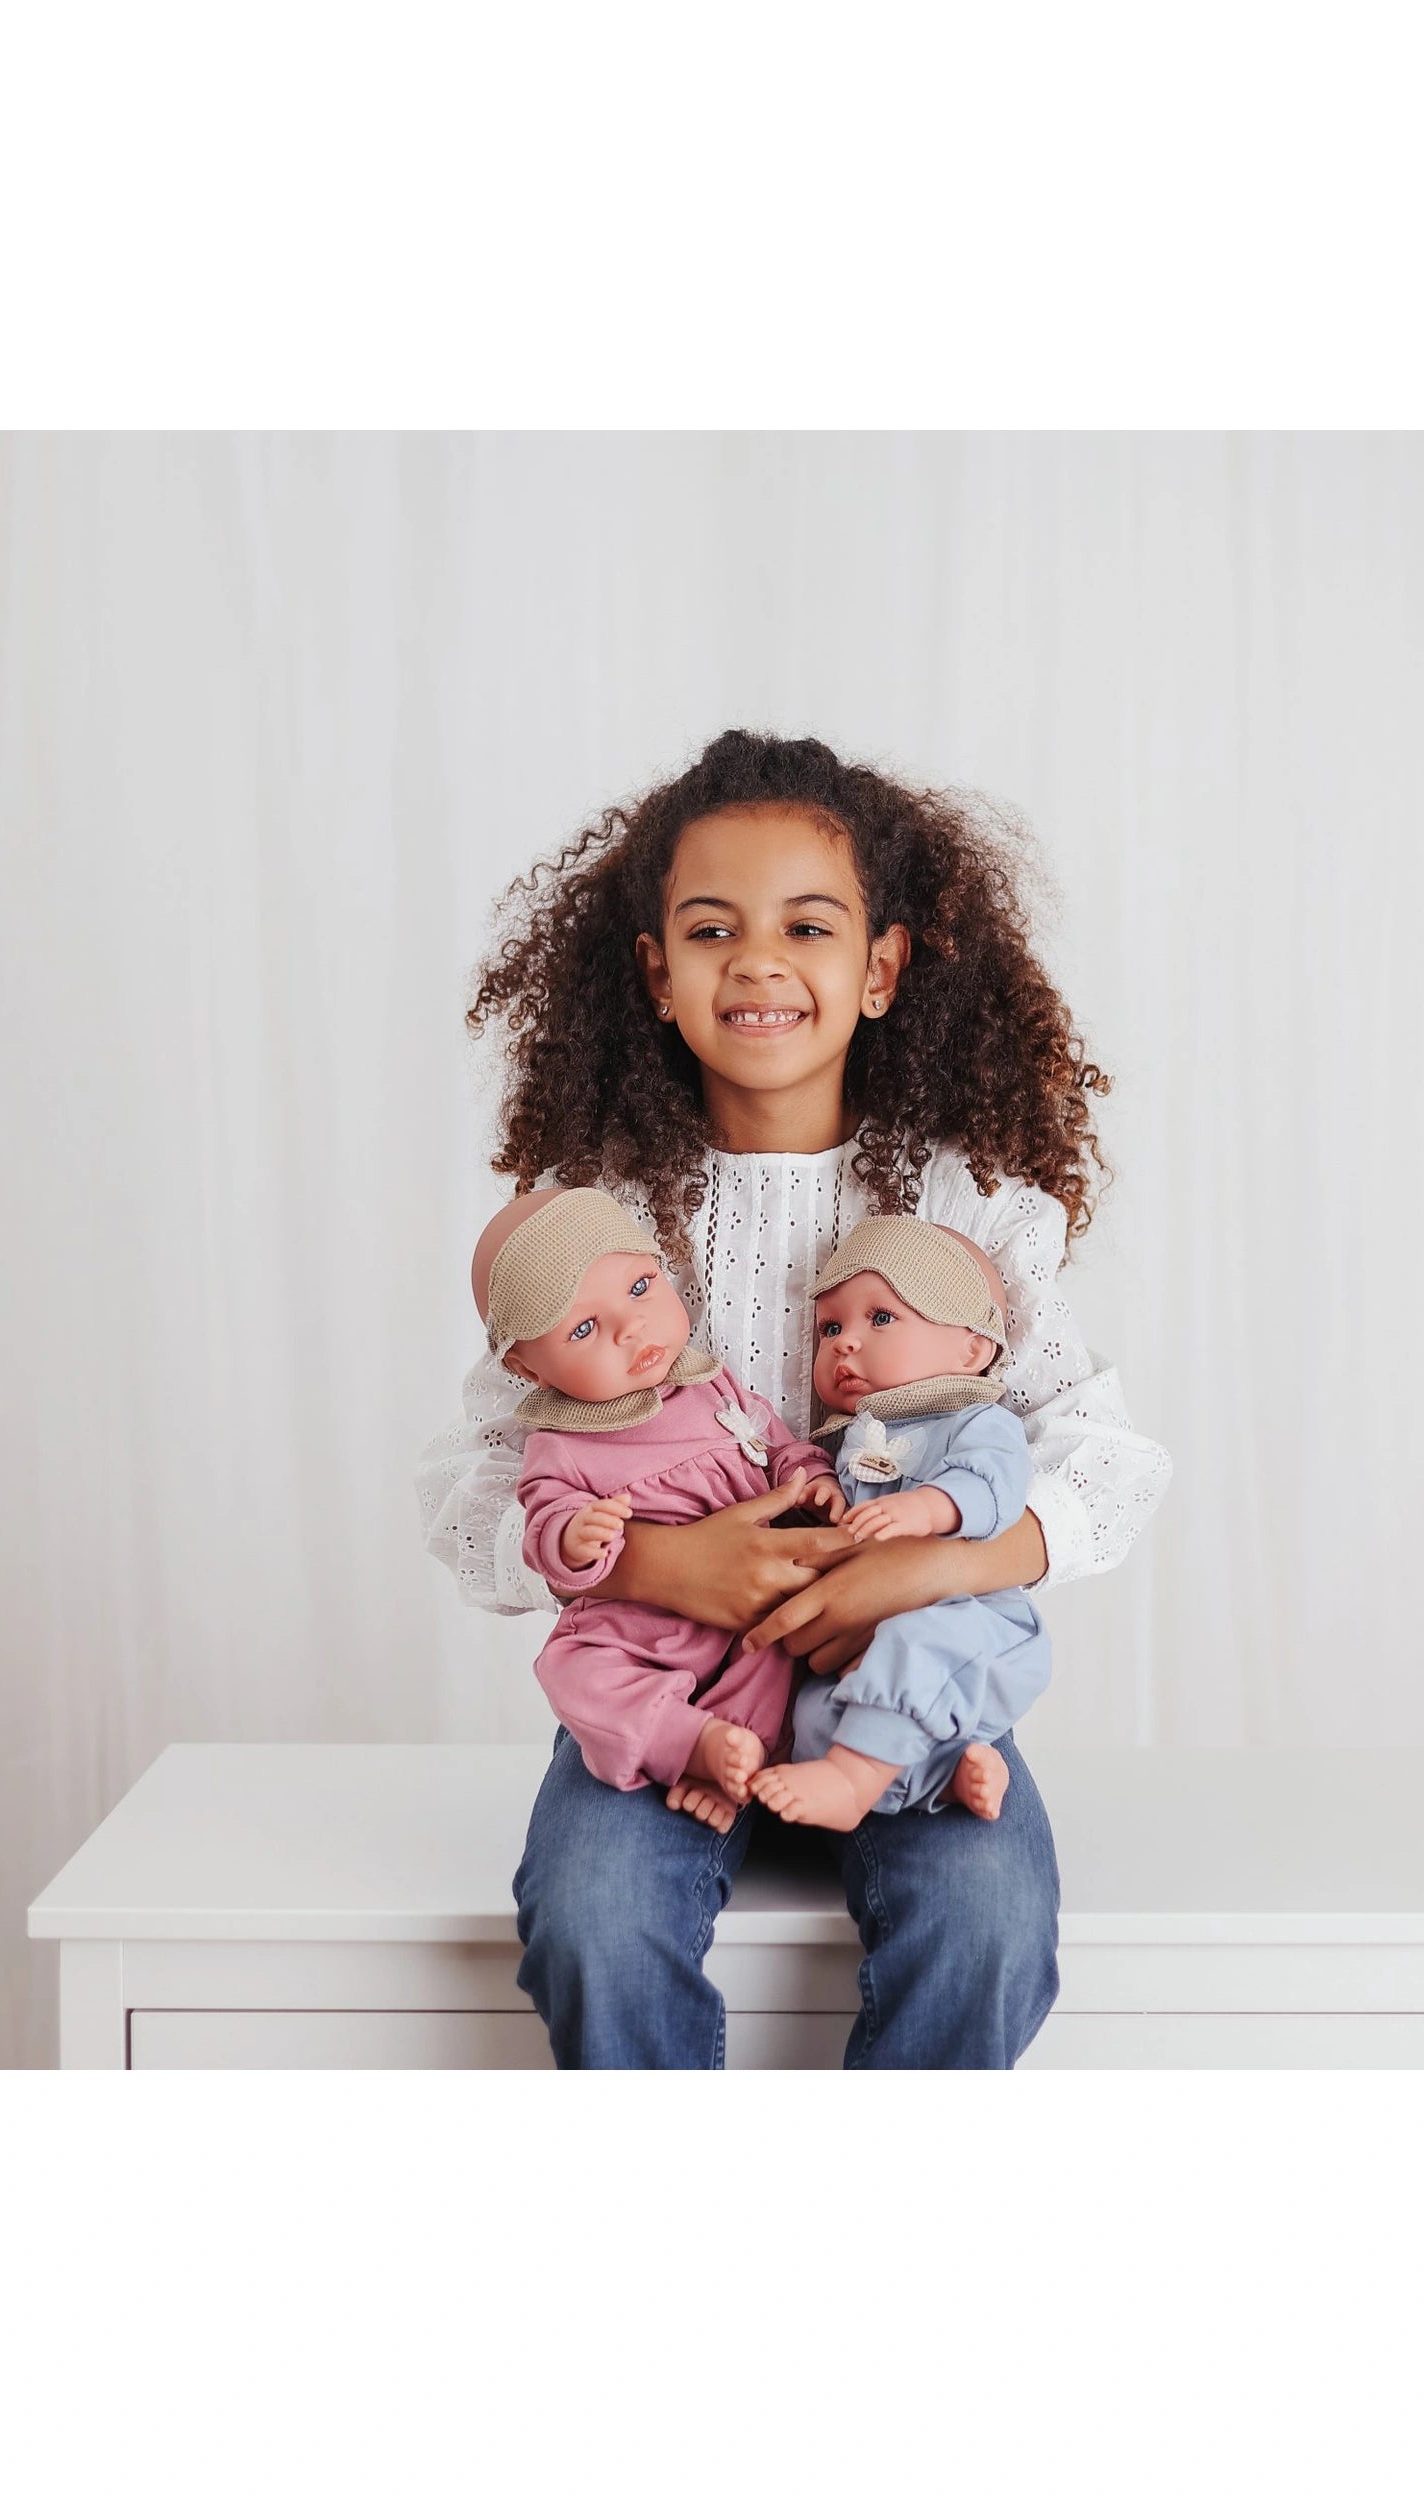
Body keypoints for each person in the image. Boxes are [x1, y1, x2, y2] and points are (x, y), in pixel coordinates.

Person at [417, 728, 1173, 2067]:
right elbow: (477, 1482)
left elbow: (1104, 1461)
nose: (758, 963)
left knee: (988, 1922)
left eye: (807, 927)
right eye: (711, 931)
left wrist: (924, 1573)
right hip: (672, 1700)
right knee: (592, 1918)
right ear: (655, 974)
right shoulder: (596, 1218)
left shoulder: (965, 1206)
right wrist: (662, 1565)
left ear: (879, 969)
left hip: (892, 1704)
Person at [475, 1184, 844, 1828]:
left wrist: (812, 1476)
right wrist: (574, 1537)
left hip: (756, 1604)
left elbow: (778, 1444)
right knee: (572, 1668)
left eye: (640, 1288)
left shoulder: (710, 1382)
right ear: (528, 1369)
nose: (630, 1328)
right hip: (641, 1625)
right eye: (584, 1328)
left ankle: (734, 1752)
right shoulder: (560, 1443)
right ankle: (685, 1741)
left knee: (776, 1652)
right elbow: (545, 1521)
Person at [751, 1214, 1049, 1831]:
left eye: (881, 1317)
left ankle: (850, 1780)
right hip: (879, 1647)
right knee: (813, 1717)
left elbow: (996, 1488)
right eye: (831, 1327)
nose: (844, 1342)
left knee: (913, 1648)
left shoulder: (974, 1418)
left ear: (971, 1348)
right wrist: (824, 1497)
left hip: (974, 1628)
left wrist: (928, 1507)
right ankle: (948, 1775)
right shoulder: (849, 1439)